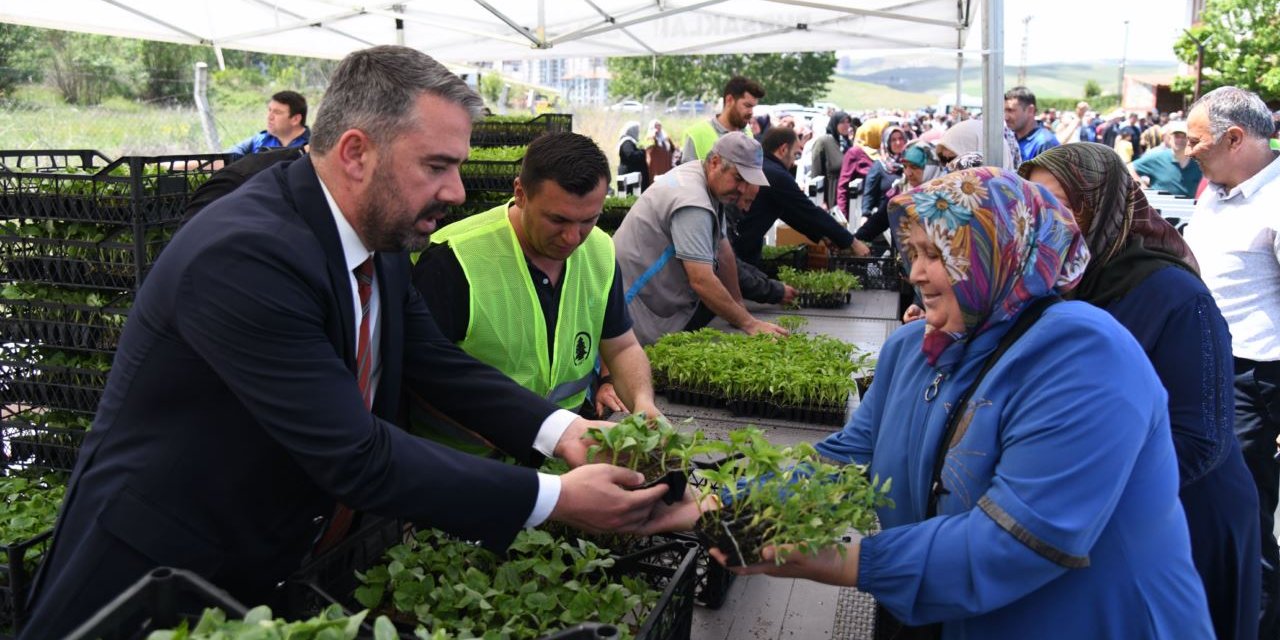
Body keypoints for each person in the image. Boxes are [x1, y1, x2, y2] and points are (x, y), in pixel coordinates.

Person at [18, 46, 679, 640]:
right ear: (357, 152)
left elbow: (434, 363)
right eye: (437, 166)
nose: (455, 190)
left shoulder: (381, 236)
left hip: (278, 559)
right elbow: (355, 454)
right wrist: (556, 497)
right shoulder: (245, 254)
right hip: (158, 579)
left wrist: (563, 433)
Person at [707, 168, 1215, 639]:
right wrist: (717, 505)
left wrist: (848, 561)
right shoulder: (914, 346)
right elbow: (850, 456)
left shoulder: (1084, 354)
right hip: (959, 613)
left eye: (940, 255)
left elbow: (1021, 541)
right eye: (915, 253)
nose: (917, 274)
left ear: (999, 253)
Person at [1021, 142, 1260, 640]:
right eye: (1035, 203)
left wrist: (1084, 484)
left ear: (1102, 204)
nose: (1045, 219)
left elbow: (1202, 439)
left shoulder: (1174, 294)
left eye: (1061, 204)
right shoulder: (1063, 281)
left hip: (1185, 520)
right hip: (1106, 514)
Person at [412, 132, 658, 434]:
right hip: (469, 462)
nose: (572, 237)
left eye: (588, 220)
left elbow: (621, 347)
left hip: (561, 458)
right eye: (557, 220)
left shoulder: (600, 251)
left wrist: (643, 404)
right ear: (520, 193)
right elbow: (419, 382)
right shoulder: (452, 261)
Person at [1183, 86, 1280, 640]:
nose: (1188, 151)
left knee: (1247, 515)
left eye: (1197, 142)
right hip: (1214, 366)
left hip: (1257, 381)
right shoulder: (1216, 192)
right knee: (1218, 509)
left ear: (1234, 139)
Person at [613, 132, 787, 346]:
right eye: (739, 178)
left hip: (652, 300)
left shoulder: (705, 181)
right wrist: (749, 324)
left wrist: (739, 305)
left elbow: (723, 253)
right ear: (715, 162)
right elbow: (702, 280)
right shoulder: (693, 203)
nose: (743, 189)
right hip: (632, 305)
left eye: (748, 181)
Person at [732, 126, 867, 269]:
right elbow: (810, 211)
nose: (794, 162)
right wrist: (852, 242)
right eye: (796, 154)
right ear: (783, 149)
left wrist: (822, 236)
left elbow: (790, 213)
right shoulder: (776, 175)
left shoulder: (765, 167)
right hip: (741, 252)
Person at [681, 76, 764, 163]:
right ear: (729, 100)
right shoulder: (696, 134)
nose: (751, 112)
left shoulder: (748, 132)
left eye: (753, 107)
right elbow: (687, 176)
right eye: (747, 106)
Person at [226, 90, 310, 162]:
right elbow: (223, 159)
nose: (269, 117)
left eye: (277, 112)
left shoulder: (314, 145)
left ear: (295, 119)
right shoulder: (259, 140)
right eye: (269, 110)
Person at [1129, 120, 1203, 197]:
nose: (1180, 140)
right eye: (1176, 136)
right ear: (1170, 139)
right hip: (1160, 207)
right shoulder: (1157, 158)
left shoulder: (1199, 162)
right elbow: (1130, 168)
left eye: (1184, 137)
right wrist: (1141, 186)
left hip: (1190, 208)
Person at [836, 117, 886, 218]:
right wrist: (843, 218)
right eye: (882, 133)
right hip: (859, 215)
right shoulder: (855, 153)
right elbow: (843, 187)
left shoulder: (884, 153)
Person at [860, 124, 907, 220]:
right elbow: (869, 193)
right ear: (887, 142)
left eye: (900, 138)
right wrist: (865, 215)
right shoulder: (880, 166)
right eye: (893, 140)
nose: (898, 142)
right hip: (885, 219)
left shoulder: (910, 163)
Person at [1003, 85, 1059, 161]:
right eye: (1004, 111)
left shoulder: (1045, 144)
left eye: (1011, 110)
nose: (1006, 117)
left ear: (1030, 110)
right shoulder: (1010, 138)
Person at [811, 111, 852, 210]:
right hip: (830, 196)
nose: (846, 125)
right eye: (842, 122)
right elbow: (816, 174)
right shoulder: (824, 142)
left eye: (848, 122)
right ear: (835, 123)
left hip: (846, 198)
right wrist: (821, 201)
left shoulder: (848, 144)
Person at [616, 120, 649, 191]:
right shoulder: (626, 142)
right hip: (628, 174)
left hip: (633, 175)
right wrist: (643, 151)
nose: (638, 132)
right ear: (632, 131)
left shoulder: (632, 141)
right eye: (636, 130)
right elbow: (631, 155)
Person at [645, 119, 676, 184]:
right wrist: (653, 136)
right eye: (656, 126)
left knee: (669, 185)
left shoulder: (665, 137)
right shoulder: (649, 139)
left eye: (659, 125)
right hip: (656, 168)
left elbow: (673, 148)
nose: (658, 127)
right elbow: (648, 150)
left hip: (667, 166)